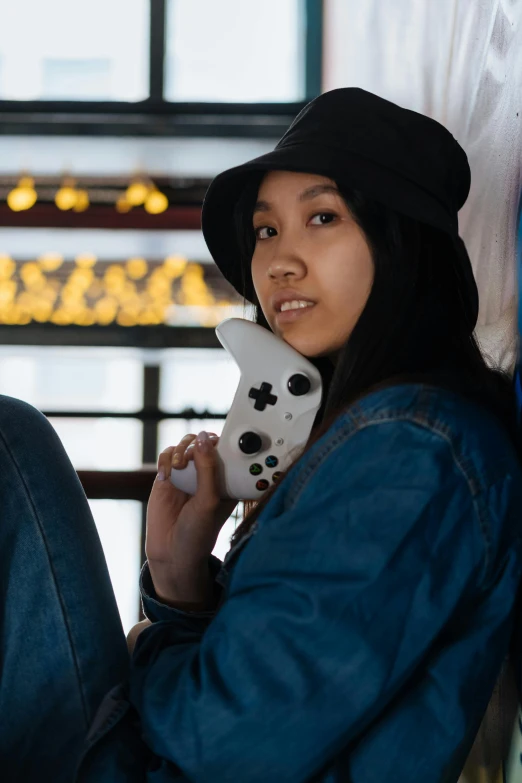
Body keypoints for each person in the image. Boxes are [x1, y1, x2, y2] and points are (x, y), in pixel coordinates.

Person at [2, 88, 521, 783]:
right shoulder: (374, 440)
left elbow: (220, 739)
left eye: (323, 216)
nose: (279, 261)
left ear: (402, 242)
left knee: (12, 444)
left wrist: (153, 646)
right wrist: (179, 583)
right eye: (267, 230)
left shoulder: (412, 449)